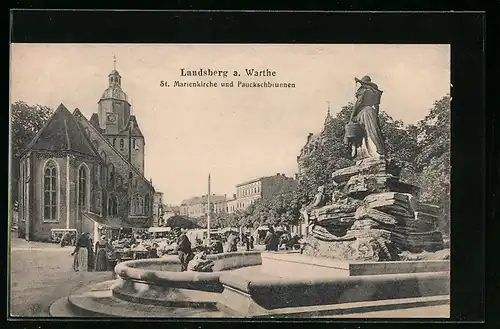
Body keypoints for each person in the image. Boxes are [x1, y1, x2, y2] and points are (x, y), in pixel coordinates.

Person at [345, 75, 386, 160]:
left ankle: (365, 153)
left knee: (363, 132)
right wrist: (376, 116)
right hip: (372, 112)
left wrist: (352, 117)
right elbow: (377, 107)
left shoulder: (363, 91)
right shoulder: (375, 92)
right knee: (374, 131)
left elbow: (357, 104)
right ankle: (378, 150)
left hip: (364, 112)